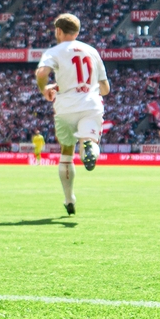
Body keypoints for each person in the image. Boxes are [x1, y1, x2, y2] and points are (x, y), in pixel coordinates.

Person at [34, 13, 110, 215]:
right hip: (90, 105)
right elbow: (105, 89)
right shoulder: (92, 51)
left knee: (66, 152)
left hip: (65, 108)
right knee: (89, 140)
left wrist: (45, 89)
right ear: (77, 31)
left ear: (58, 31)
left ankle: (69, 199)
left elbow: (42, 74)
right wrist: (87, 87)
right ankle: (89, 148)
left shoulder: (55, 51)